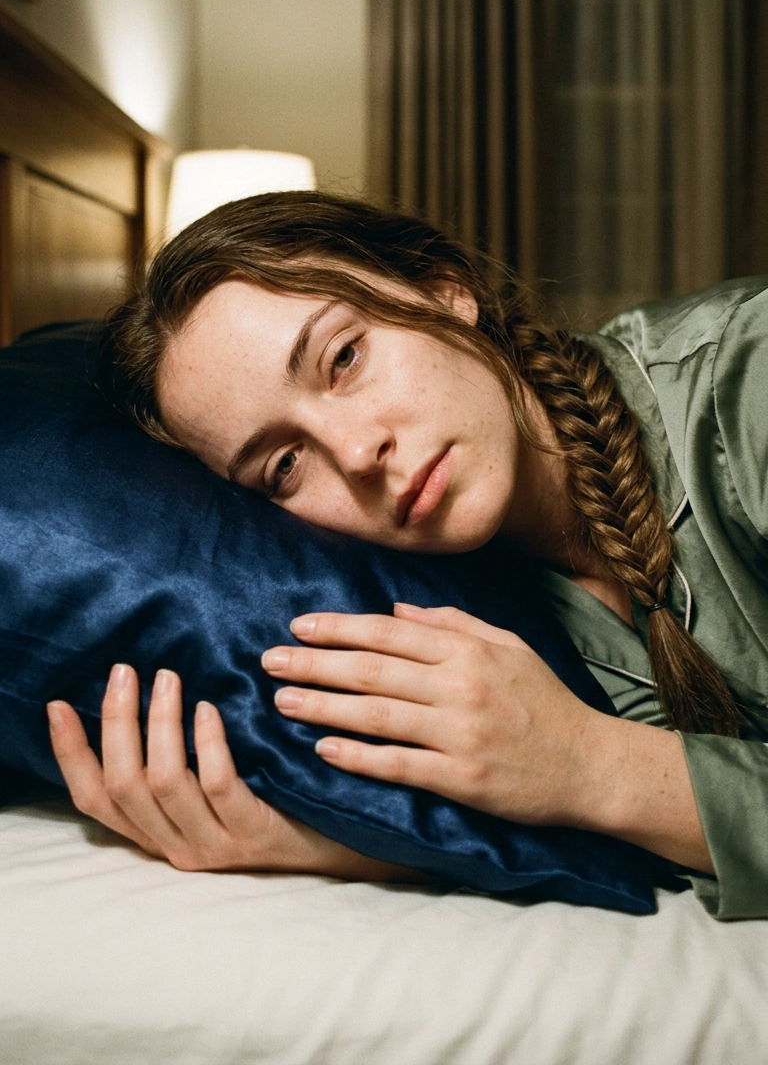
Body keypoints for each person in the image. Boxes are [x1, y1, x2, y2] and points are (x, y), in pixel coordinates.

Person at [46, 193, 768, 918]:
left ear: (445, 289)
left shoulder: (747, 379)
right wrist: (339, 844)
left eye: (344, 358)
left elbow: (612, 787)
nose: (358, 453)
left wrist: (590, 764)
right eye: (286, 465)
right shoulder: (474, 615)